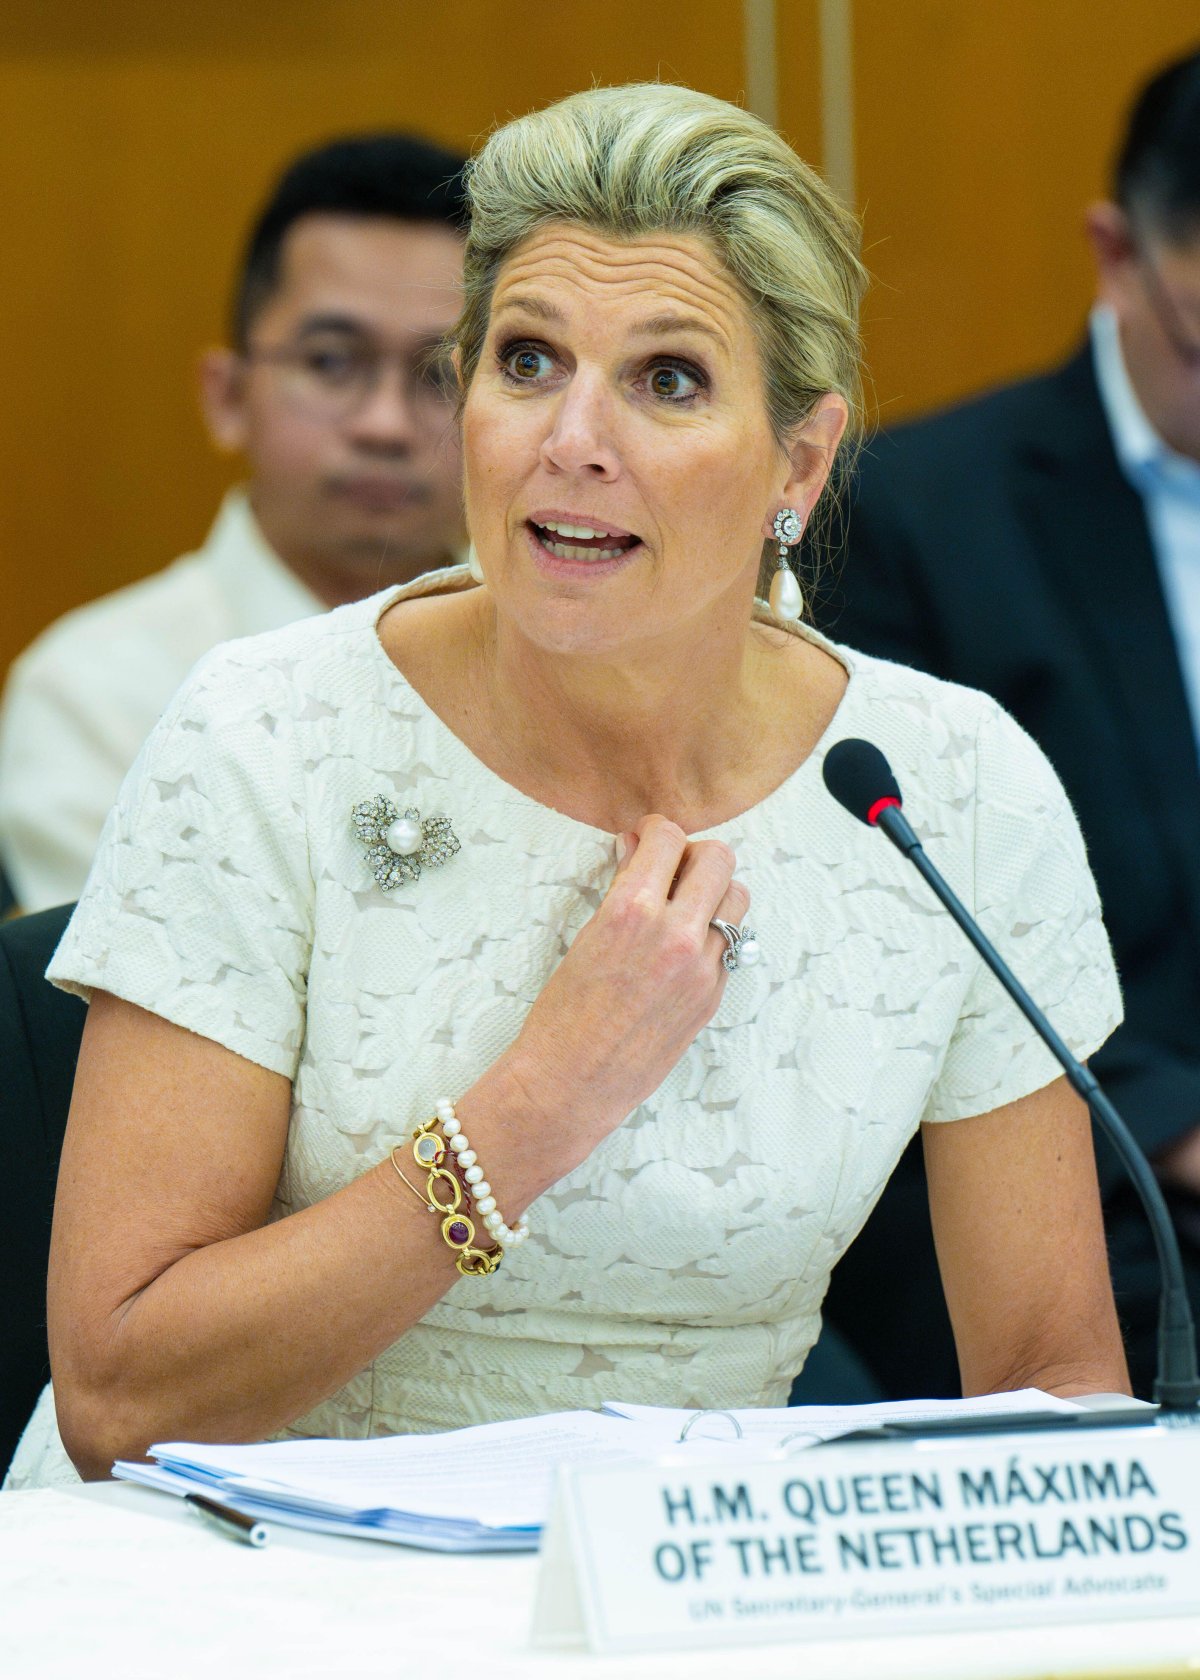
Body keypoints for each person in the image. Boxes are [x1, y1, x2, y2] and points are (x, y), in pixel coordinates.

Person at [8, 83, 1129, 1491]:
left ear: (798, 459)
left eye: (669, 380)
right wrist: (538, 1109)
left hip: (693, 1573)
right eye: (528, 361)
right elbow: (118, 1397)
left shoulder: (948, 788)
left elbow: (1053, 1387)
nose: (573, 438)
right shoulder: (264, 734)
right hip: (251, 1564)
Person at [823, 47, 1200, 1400]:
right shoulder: (919, 517)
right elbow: (897, 913)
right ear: (1119, 258)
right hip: (1102, 1192)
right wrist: (1176, 1126)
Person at [0, 133, 467, 914]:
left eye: (438, 375)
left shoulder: (562, 660)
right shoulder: (96, 692)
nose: (385, 424)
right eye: (330, 361)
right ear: (227, 396)